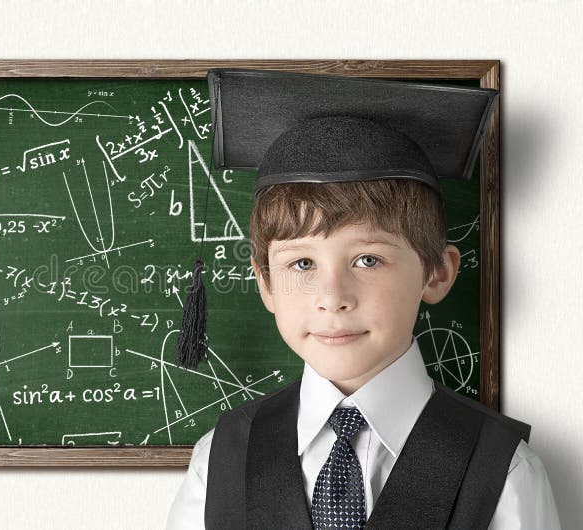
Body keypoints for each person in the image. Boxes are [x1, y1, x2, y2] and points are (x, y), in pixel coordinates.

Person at [167, 68, 561, 529]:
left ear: (437, 273)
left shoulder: (504, 471)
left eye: (368, 260)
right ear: (266, 283)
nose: (332, 298)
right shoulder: (219, 460)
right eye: (302, 264)